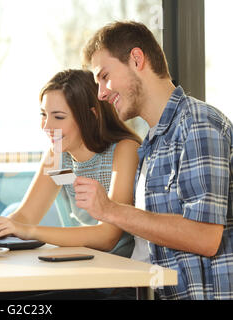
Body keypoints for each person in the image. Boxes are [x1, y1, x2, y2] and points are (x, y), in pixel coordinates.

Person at [78, 21, 233, 300]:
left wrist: (111, 210)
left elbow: (205, 237)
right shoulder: (153, 142)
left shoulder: (197, 124)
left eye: (104, 76)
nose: (100, 93)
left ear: (137, 59)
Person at [0, 68, 142, 299]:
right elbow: (25, 217)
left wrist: (29, 231)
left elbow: (107, 237)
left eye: (58, 117)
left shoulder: (125, 151)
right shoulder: (59, 156)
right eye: (43, 115)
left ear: (91, 115)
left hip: (113, 281)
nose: (46, 127)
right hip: (78, 270)